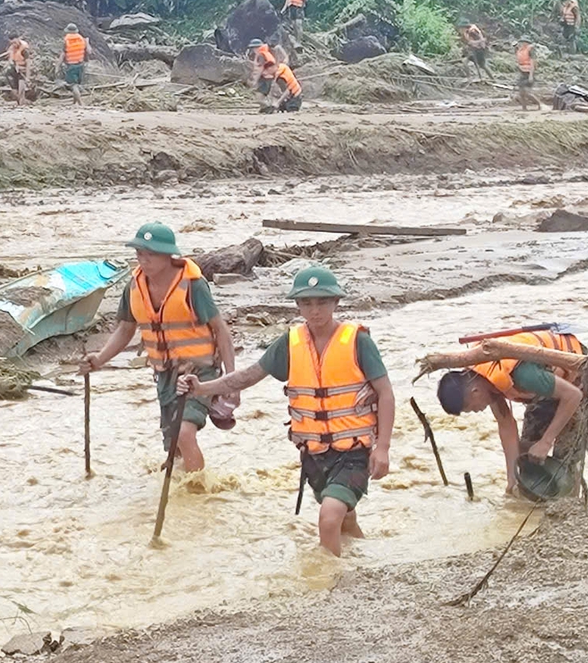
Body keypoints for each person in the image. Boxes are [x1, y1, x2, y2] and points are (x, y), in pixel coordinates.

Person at [181, 267, 393, 556]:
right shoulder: (290, 344)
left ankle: (331, 585)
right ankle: (368, 558)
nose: (314, 310)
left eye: (321, 302)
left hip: (354, 451)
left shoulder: (358, 341)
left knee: (328, 518)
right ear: (297, 305)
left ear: (336, 303)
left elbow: (385, 392)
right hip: (315, 454)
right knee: (343, 518)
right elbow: (248, 376)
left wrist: (383, 449)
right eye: (306, 303)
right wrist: (202, 388)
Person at [81, 222, 238, 477]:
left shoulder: (193, 286)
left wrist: (231, 380)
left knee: (184, 433)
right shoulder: (134, 286)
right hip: (165, 374)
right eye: (139, 253)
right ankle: (181, 494)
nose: (143, 260)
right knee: (172, 447)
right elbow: (125, 329)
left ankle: (199, 495)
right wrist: (99, 359)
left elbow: (221, 330)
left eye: (150, 254)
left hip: (199, 372)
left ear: (169, 256)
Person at [434, 326, 586, 500]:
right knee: (526, 453)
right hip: (548, 388)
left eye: (472, 408)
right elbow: (506, 424)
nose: (477, 410)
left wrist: (546, 441)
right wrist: (511, 481)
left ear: (474, 392)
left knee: (565, 459)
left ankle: (570, 503)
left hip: (579, 379)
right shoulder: (484, 377)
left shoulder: (522, 374)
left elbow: (574, 396)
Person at [248, 38, 280, 109]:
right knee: (260, 97)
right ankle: (265, 109)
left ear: (257, 48)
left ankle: (269, 107)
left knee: (259, 97)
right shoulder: (265, 53)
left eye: (253, 48)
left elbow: (260, 68)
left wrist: (254, 80)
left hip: (266, 79)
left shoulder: (261, 55)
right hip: (268, 78)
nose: (253, 50)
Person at [62, 23, 87, 105]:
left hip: (71, 65)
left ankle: (80, 103)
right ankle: (74, 102)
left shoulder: (66, 40)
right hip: (80, 64)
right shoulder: (81, 39)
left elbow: (63, 53)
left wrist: (58, 65)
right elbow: (86, 51)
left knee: (73, 85)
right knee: (77, 84)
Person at [514, 38, 539, 110]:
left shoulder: (530, 50)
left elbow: (532, 63)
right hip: (522, 72)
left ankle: (539, 104)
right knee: (521, 93)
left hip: (528, 73)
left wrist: (531, 75)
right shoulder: (519, 50)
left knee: (527, 92)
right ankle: (524, 107)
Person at [6, 35, 33, 104]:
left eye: (15, 42)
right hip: (15, 68)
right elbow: (10, 60)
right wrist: (13, 65)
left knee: (22, 84)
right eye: (12, 43)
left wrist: (28, 77)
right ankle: (20, 99)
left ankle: (23, 100)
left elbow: (28, 64)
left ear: (18, 39)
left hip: (23, 68)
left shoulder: (24, 49)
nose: (14, 45)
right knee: (8, 73)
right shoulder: (11, 48)